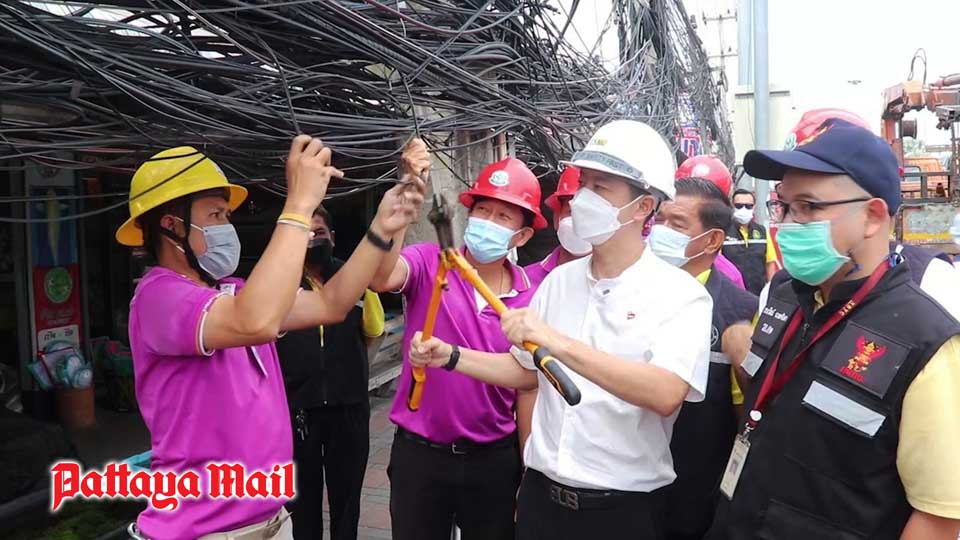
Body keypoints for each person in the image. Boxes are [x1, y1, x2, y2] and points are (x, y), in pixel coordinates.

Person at [409, 120, 713, 540]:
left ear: (643, 206)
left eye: (601, 188)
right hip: (543, 500)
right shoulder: (558, 283)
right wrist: (452, 356)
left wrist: (557, 342)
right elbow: (527, 371)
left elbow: (665, 393)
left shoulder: (681, 294)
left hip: (622, 512)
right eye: (583, 184)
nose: (584, 198)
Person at [119, 136, 425, 540]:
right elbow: (256, 322)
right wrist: (298, 206)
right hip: (204, 531)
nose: (227, 227)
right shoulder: (158, 297)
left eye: (227, 215)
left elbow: (331, 303)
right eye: (215, 215)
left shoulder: (232, 291)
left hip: (269, 520)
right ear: (171, 224)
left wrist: (383, 228)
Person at [708, 119, 960, 540]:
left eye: (809, 207)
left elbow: (938, 518)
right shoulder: (786, 294)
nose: (789, 223)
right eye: (785, 206)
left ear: (872, 216)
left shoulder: (926, 340)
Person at [368, 151, 546, 540]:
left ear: (522, 235)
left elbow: (527, 387)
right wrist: (400, 212)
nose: (488, 222)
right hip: (419, 457)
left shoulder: (532, 297)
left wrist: (528, 472)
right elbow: (382, 277)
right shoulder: (429, 261)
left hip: (493, 460)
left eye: (503, 216)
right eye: (483, 210)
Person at [647, 178, 758, 540]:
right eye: (659, 220)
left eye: (677, 224)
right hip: (625, 485)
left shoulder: (740, 310)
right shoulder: (627, 293)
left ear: (712, 240)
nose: (661, 231)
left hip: (697, 492)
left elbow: (748, 415)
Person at [275, 205, 385, 540]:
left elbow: (374, 332)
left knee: (347, 497)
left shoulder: (355, 281)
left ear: (333, 238)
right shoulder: (278, 285)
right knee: (302, 500)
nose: (312, 240)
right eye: (304, 234)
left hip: (348, 408)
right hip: (298, 410)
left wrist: (346, 373)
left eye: (319, 233)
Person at [676, 155, 747, 289]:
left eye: (678, 224)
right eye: (660, 219)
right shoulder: (642, 260)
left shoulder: (729, 276)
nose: (665, 228)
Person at [723, 189, 770, 295]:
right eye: (739, 206)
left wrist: (771, 289)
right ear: (732, 206)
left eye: (748, 206)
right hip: (731, 293)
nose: (744, 209)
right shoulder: (723, 231)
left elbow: (770, 263)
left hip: (758, 292)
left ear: (754, 207)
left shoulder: (761, 231)